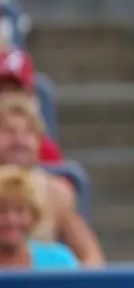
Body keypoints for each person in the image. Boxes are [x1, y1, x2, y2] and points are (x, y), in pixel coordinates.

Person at [0, 93, 104, 266]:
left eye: (28, 132)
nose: (19, 140)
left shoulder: (57, 192)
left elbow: (92, 256)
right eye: (9, 131)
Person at [0, 165, 79, 270]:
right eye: (2, 211)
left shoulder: (59, 261)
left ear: (34, 216)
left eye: (20, 211)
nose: (11, 220)